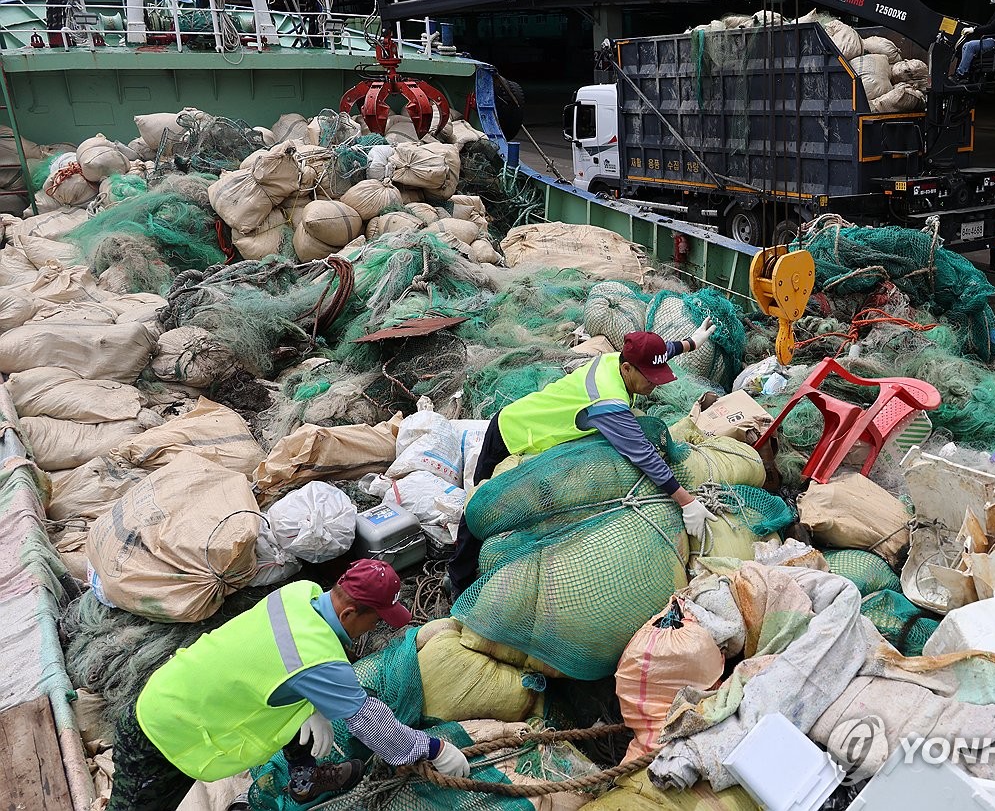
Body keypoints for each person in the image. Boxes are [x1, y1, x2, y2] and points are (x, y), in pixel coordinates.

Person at [108, 559, 470, 810]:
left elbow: (278, 660)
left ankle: (305, 776)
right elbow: (377, 729)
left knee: (300, 696)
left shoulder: (299, 593)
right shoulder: (320, 660)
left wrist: (313, 705)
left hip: (178, 688)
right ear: (348, 614)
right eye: (375, 621)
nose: (374, 629)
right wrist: (435, 749)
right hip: (163, 733)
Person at [446, 322, 721, 598]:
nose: (655, 382)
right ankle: (458, 580)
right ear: (627, 369)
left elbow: (660, 352)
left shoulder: (618, 359)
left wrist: (691, 343)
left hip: (541, 433)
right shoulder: (608, 399)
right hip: (512, 434)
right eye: (650, 377)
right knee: (480, 506)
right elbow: (642, 455)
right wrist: (686, 501)